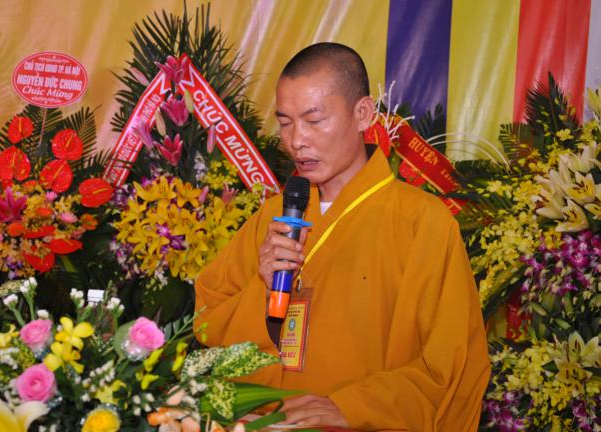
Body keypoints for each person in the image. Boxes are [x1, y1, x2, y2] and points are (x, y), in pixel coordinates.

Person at [194, 42, 490, 431]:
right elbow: (208, 319)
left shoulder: (422, 222)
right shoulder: (275, 214)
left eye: (314, 120)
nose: (297, 140)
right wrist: (262, 290)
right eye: (285, 122)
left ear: (362, 114)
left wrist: (352, 407)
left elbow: (452, 364)